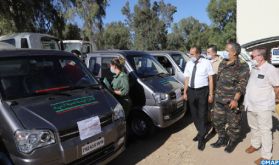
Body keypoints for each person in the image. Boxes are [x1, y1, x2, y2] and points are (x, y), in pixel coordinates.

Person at [210, 41, 250, 153]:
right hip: (219, 99)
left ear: (234, 52)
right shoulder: (223, 62)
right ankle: (222, 138)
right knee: (217, 121)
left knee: (233, 124)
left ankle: (232, 141)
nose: (224, 52)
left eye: (227, 50)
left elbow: (242, 85)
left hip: (232, 101)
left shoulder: (242, 66)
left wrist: (236, 99)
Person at [243, 48, 279, 165]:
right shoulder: (254, 68)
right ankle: (255, 144)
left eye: (253, 56)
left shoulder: (271, 69)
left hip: (263, 106)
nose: (251, 59)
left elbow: (277, 87)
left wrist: (276, 99)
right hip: (251, 105)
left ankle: (266, 156)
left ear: (260, 57)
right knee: (253, 127)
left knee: (265, 130)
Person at [183, 46, 215, 151]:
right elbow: (187, 78)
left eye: (192, 54)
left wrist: (211, 94)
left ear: (198, 54)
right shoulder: (189, 63)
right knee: (194, 114)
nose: (190, 55)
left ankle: (201, 138)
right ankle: (201, 131)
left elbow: (210, 79)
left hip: (203, 91)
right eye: (190, 53)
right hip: (191, 91)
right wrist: (185, 92)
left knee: (202, 114)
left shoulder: (206, 63)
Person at [206, 44, 223, 135]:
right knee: (210, 109)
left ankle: (216, 127)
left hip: (217, 90)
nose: (207, 54)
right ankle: (212, 124)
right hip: (208, 89)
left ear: (214, 52)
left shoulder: (221, 62)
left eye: (209, 52)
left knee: (217, 109)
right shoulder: (206, 61)